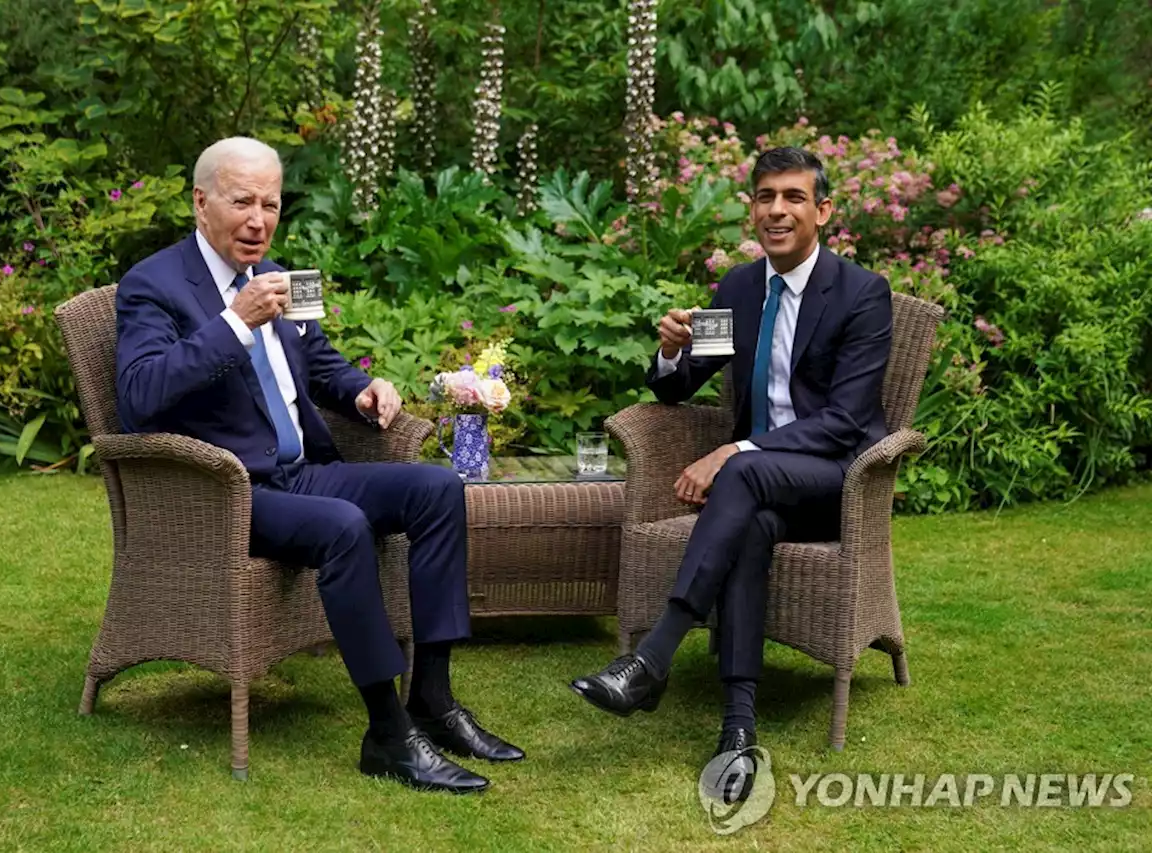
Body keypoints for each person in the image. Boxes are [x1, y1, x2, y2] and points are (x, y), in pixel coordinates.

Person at [114, 136, 522, 794]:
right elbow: (139, 397)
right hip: (230, 491)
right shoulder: (152, 285)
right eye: (241, 201)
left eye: (270, 204)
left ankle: (433, 699)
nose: (258, 219)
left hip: (303, 470)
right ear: (200, 201)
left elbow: (321, 363)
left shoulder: (283, 274)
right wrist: (234, 321)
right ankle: (388, 733)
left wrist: (363, 388)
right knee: (341, 526)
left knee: (438, 489)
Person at [569, 147, 893, 802]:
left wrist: (736, 448)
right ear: (753, 208)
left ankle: (653, 658)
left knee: (740, 473)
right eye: (766, 196)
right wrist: (667, 352)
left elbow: (846, 420)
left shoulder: (862, 294)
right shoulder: (741, 289)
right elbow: (677, 388)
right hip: (764, 485)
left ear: (822, 210)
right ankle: (738, 729)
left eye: (794, 197)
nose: (777, 209)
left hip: (836, 480)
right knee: (748, 517)